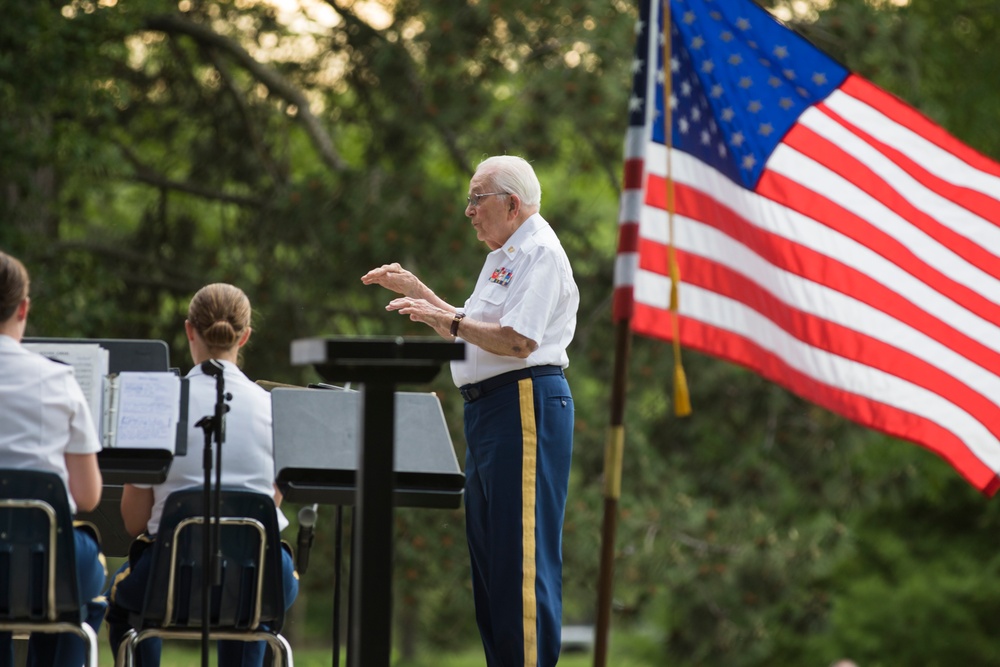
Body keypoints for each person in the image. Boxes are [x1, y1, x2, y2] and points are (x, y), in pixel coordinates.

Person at [362, 155, 579, 667]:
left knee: (520, 563)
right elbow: (473, 332)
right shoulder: (504, 255)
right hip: (490, 412)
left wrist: (449, 320)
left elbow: (518, 340)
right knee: (493, 565)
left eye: (476, 198)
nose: (469, 211)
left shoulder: (540, 253)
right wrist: (422, 296)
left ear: (512, 203)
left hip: (524, 403)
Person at [105, 282, 298, 667]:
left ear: (189, 329)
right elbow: (266, 505)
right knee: (252, 604)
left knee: (121, 604)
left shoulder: (153, 405)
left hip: (169, 581)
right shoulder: (278, 410)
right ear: (244, 336)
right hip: (256, 584)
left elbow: (133, 522)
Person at [0, 251, 106, 666]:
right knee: (84, 591)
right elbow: (88, 495)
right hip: (44, 559)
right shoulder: (59, 381)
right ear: (23, 308)